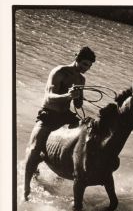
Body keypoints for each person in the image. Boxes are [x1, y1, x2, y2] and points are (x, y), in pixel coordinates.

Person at [23, 46, 96, 201]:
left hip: (66, 115)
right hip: (49, 114)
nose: (86, 68)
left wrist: (77, 97)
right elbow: (49, 97)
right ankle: (26, 188)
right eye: (84, 64)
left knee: (86, 135)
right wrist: (68, 95)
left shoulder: (81, 79)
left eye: (89, 66)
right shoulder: (59, 72)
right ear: (77, 59)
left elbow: (77, 105)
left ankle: (67, 171)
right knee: (35, 149)